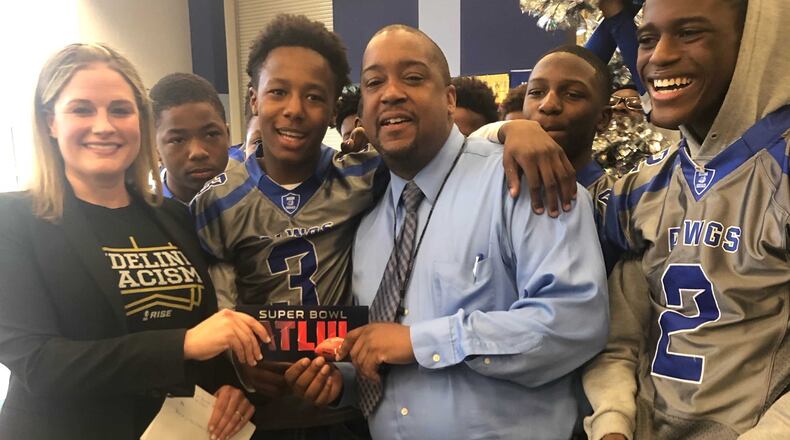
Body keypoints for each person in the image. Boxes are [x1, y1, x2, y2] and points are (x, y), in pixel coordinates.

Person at [284, 24, 609, 440]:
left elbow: (575, 322)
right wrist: (341, 383)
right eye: (374, 83)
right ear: (362, 110)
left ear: (450, 98)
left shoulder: (522, 181)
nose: (391, 93)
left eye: (413, 77)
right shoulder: (366, 222)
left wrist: (422, 342)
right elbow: (386, 356)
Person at [0, 43, 270, 440]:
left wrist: (225, 387)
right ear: (50, 122)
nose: (104, 126)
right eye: (82, 109)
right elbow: (38, 363)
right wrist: (182, 345)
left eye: (120, 110)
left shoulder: (172, 216)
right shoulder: (14, 220)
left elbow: (203, 332)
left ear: (140, 123)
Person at [583, 0, 790, 438]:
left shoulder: (780, 173)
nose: (659, 56)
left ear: (755, 42)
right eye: (646, 38)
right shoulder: (645, 189)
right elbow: (621, 334)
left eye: (690, 32)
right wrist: (503, 133)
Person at [191, 14, 378, 439]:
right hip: (259, 414)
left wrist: (506, 132)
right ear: (254, 99)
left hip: (343, 409)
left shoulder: (364, 177)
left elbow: (436, 155)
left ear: (333, 111)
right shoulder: (217, 202)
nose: (294, 109)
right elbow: (214, 309)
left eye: (313, 96)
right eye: (278, 92)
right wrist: (237, 367)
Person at [150, 72, 244, 204]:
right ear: (155, 148)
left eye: (211, 134)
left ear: (227, 136)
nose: (198, 152)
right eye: (178, 140)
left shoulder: (252, 203)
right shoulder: (145, 212)